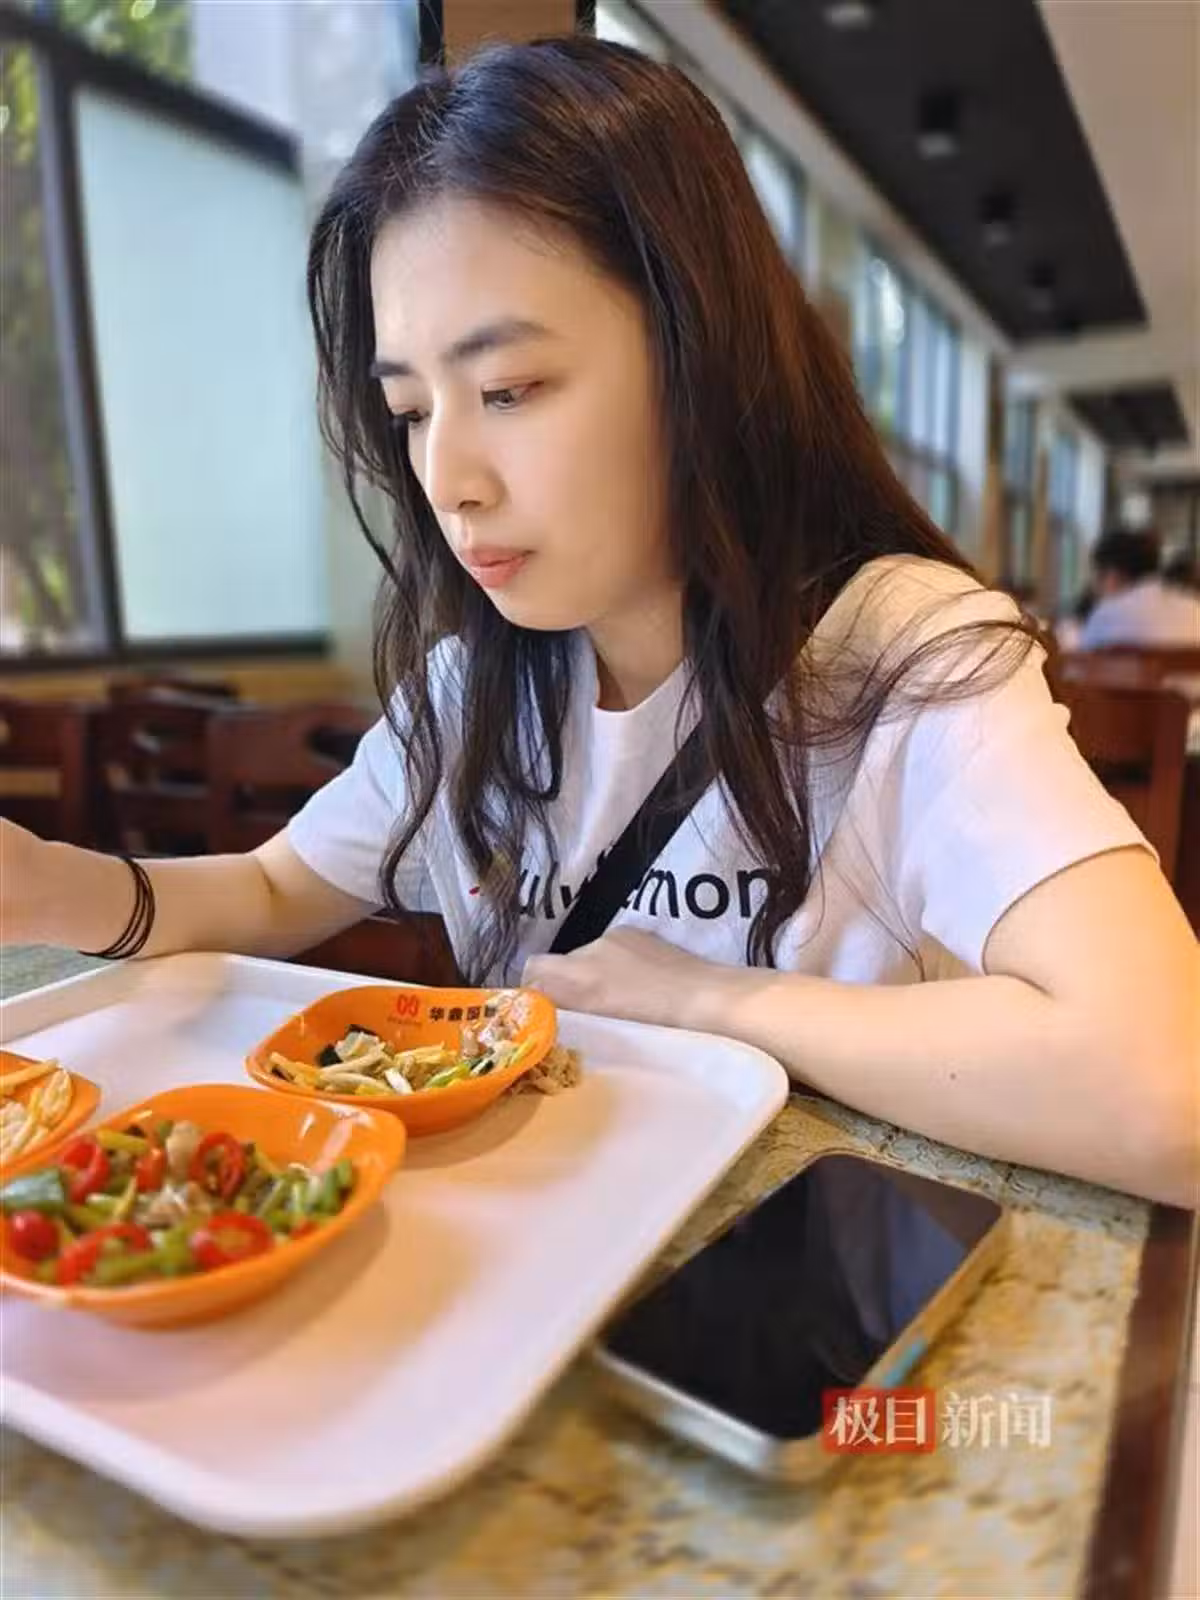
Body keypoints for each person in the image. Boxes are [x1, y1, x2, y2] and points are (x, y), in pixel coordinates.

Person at [1, 38, 1195, 1206]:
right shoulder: (471, 688)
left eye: (509, 390)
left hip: (795, 1292)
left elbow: (1167, 1088)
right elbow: (272, 890)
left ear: (701, 353)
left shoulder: (903, 652)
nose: (448, 479)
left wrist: (711, 998)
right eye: (410, 409)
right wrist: (52, 885)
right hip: (536, 1258)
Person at [1077, 529, 1200, 650]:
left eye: (1098, 576)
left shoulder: (1106, 616)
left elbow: (1086, 659)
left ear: (1112, 574)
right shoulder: (1195, 609)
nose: (1096, 587)